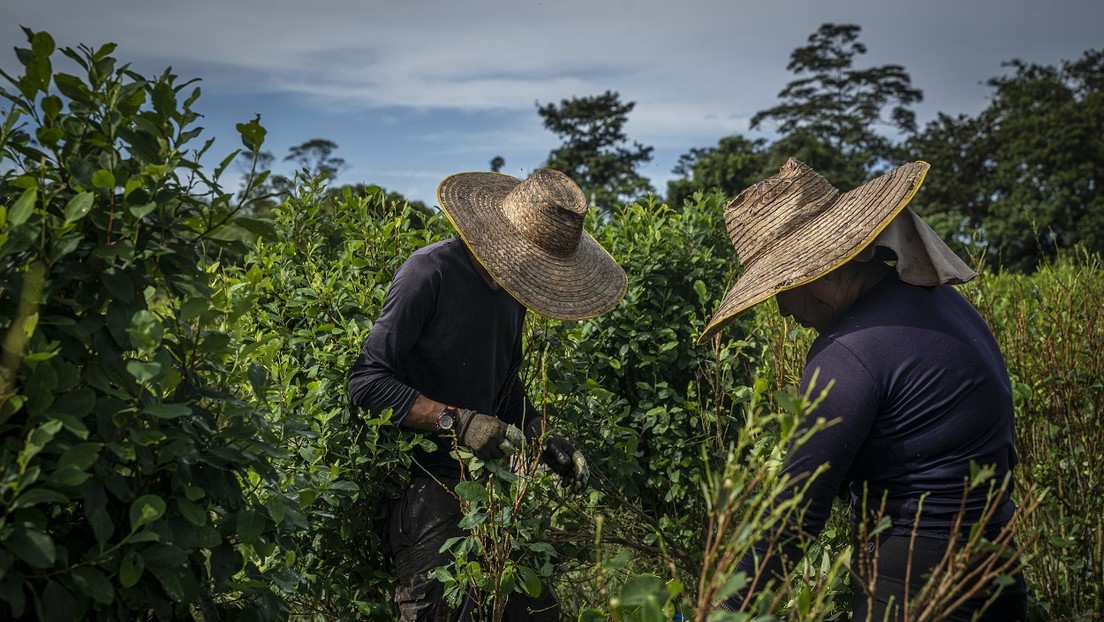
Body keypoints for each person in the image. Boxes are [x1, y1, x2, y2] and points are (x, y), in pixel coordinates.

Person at [700, 158, 1027, 620]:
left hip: (913, 586)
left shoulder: (846, 351)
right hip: (999, 569)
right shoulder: (944, 302)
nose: (782, 312)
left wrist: (725, 608)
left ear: (818, 275)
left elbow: (795, 515)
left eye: (779, 290)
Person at [348, 168, 626, 621]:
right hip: (423, 487)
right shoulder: (429, 272)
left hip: (485, 487)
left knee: (537, 613)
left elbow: (503, 384)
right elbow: (367, 382)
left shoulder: (511, 291)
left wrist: (543, 436)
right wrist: (456, 421)